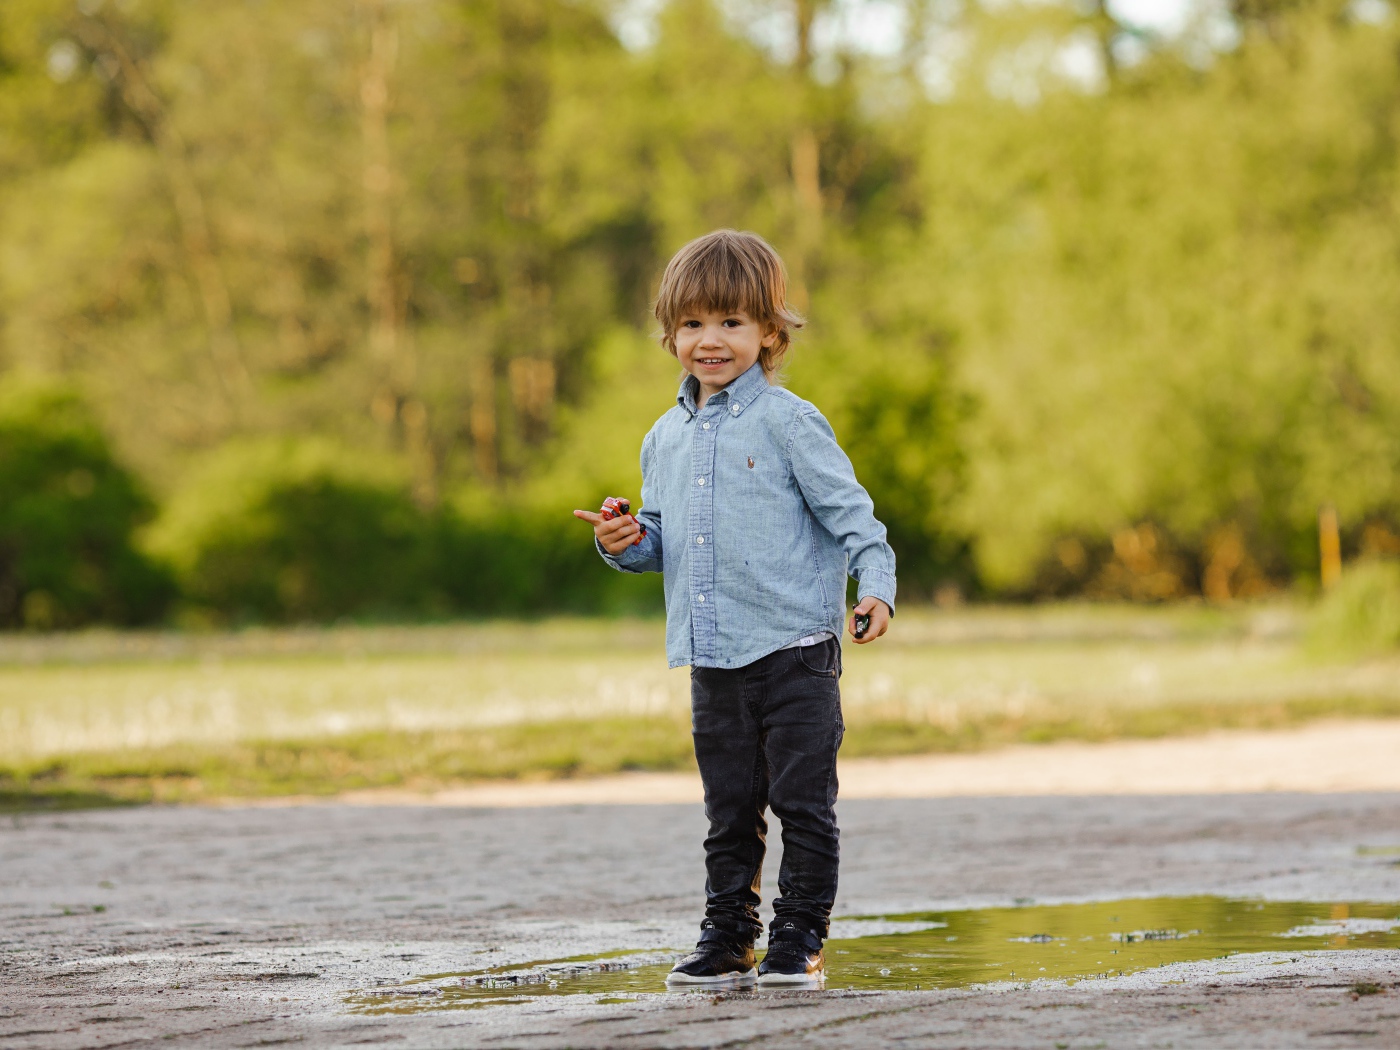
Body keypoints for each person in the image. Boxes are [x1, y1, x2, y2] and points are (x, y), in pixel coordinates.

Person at [572, 229, 896, 987]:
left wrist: (874, 587)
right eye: (691, 325)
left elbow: (857, 520)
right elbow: (663, 539)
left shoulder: (789, 422)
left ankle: (799, 936)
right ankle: (728, 936)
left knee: (802, 806)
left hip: (795, 652)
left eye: (730, 323)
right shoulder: (664, 437)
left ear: (770, 333)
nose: (708, 341)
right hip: (712, 659)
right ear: (669, 334)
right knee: (729, 813)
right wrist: (625, 539)